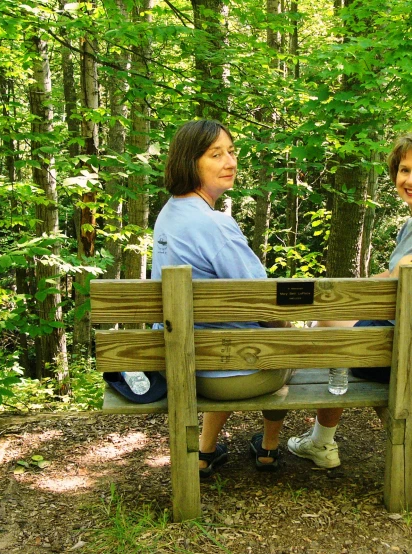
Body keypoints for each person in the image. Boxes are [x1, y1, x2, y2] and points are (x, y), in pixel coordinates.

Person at [287, 129, 412, 469]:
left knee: (327, 332)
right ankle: (320, 439)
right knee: (331, 319)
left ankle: (317, 438)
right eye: (404, 170)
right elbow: (395, 278)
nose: (411, 179)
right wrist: (354, 291)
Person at [152, 119, 291, 476]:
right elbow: (267, 301)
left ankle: (205, 451)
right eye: (216, 154)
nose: (230, 162)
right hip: (227, 376)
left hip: (181, 366)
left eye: (231, 152)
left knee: (231, 337)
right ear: (189, 162)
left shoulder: (169, 214)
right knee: (289, 347)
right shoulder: (215, 225)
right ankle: (268, 448)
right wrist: (288, 334)